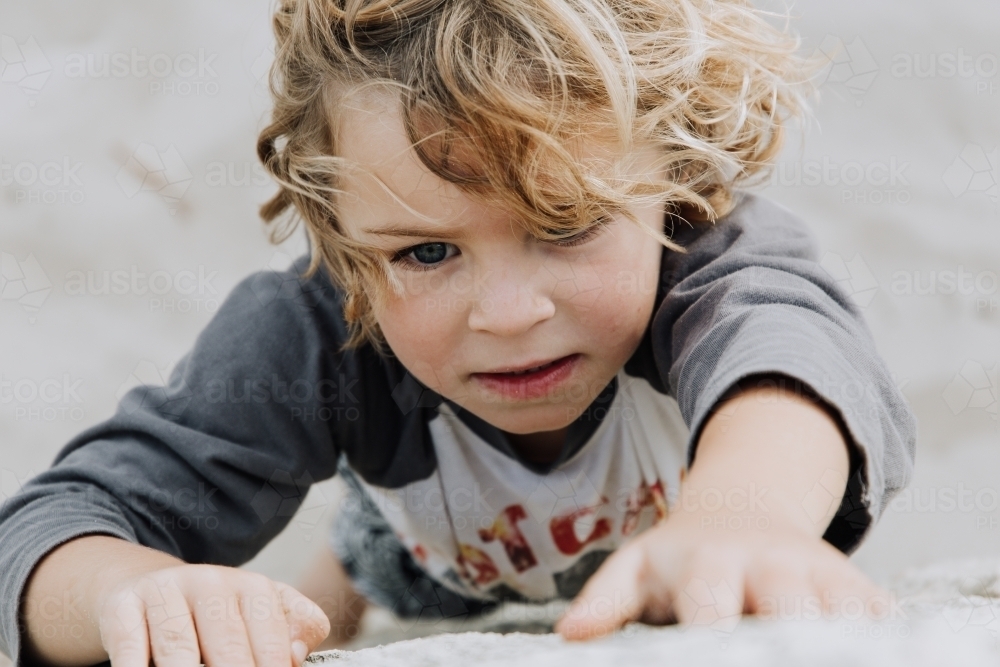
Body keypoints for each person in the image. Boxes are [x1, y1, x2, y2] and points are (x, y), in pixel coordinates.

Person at [0, 0, 916, 666]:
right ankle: (337, 576)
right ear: (345, 242)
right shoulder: (319, 322)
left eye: (564, 226)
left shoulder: (716, 263)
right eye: (427, 251)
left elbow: (793, 360)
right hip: (430, 556)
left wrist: (740, 516)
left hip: (666, 525)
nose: (508, 313)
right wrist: (132, 590)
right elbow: (48, 527)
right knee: (352, 570)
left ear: (674, 190)